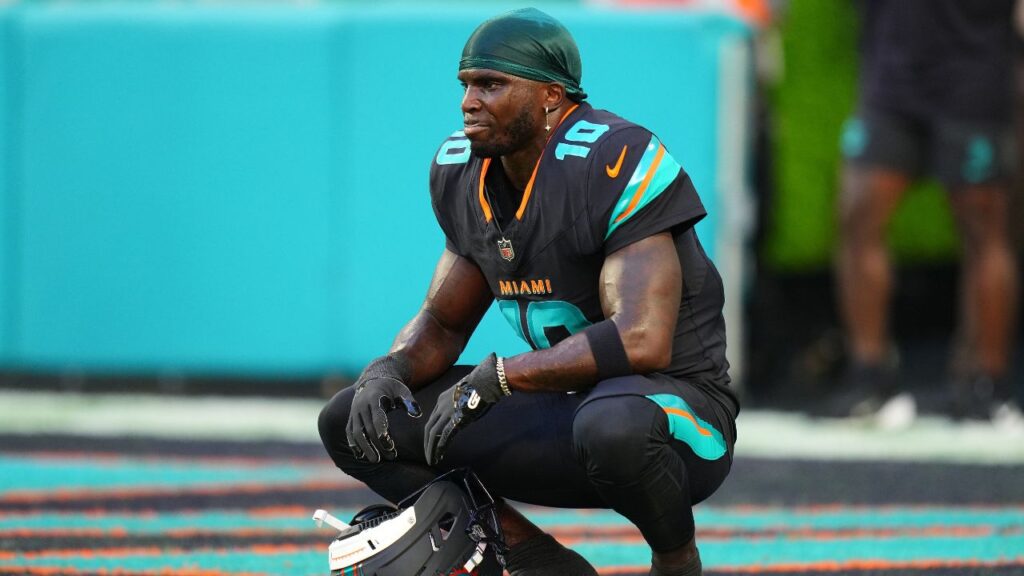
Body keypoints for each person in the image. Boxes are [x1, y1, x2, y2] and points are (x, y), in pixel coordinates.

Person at [318, 8, 738, 576]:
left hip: (678, 418)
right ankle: (535, 558)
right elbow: (442, 324)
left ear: (550, 96)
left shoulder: (612, 159)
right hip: (566, 410)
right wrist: (387, 369)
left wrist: (502, 377)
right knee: (354, 421)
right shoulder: (463, 172)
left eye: (491, 85)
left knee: (611, 424)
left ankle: (676, 559)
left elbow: (642, 339)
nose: (469, 102)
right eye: (466, 85)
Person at [833, 0, 1020, 425]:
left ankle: (987, 385)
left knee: (984, 227)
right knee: (858, 213)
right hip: (892, 72)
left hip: (974, 70)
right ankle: (870, 377)